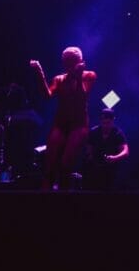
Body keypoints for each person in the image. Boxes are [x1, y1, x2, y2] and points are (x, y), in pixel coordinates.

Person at [30, 47, 96, 190]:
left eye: (71, 61)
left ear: (79, 61)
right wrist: (39, 73)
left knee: (66, 164)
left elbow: (81, 96)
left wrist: (78, 78)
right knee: (50, 162)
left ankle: (64, 196)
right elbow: (47, 95)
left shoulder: (89, 76)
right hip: (60, 124)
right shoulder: (59, 79)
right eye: (66, 61)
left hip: (79, 125)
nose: (68, 65)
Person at [83, 108, 129, 191]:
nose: (106, 126)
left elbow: (126, 151)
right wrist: (90, 158)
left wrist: (115, 158)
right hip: (95, 169)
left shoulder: (117, 133)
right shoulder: (93, 132)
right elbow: (88, 150)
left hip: (112, 169)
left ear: (113, 121)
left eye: (108, 123)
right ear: (101, 120)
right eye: (104, 123)